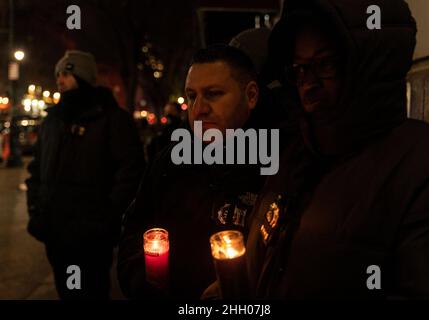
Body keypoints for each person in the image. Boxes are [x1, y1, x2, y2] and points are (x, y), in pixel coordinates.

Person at [246, 0, 429, 299]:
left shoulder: (428, 166)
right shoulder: (297, 156)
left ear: (369, 63)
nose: (308, 85)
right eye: (299, 70)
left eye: (325, 64)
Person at [118, 45, 278, 299]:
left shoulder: (278, 166)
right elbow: (134, 230)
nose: (198, 108)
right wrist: (143, 281)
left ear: (251, 96)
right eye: (192, 96)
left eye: (213, 94)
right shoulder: (169, 162)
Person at [26, 50, 145, 299]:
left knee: (91, 291)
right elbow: (37, 168)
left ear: (83, 76)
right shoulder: (52, 121)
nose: (60, 79)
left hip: (92, 234)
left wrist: (107, 216)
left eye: (67, 73)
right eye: (58, 74)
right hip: (55, 229)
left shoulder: (112, 119)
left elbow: (130, 172)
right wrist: (36, 208)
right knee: (66, 290)